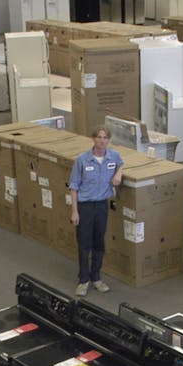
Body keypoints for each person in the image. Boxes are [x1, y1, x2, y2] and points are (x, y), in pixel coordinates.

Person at [67, 127, 123, 297]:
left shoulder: (113, 156)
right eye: (99, 137)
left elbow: (121, 163)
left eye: (105, 138)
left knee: (99, 243)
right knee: (84, 244)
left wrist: (118, 174)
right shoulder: (82, 160)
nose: (102, 141)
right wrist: (74, 211)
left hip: (101, 206)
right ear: (93, 139)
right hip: (85, 207)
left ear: (108, 140)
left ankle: (96, 278)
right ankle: (83, 280)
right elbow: (74, 186)